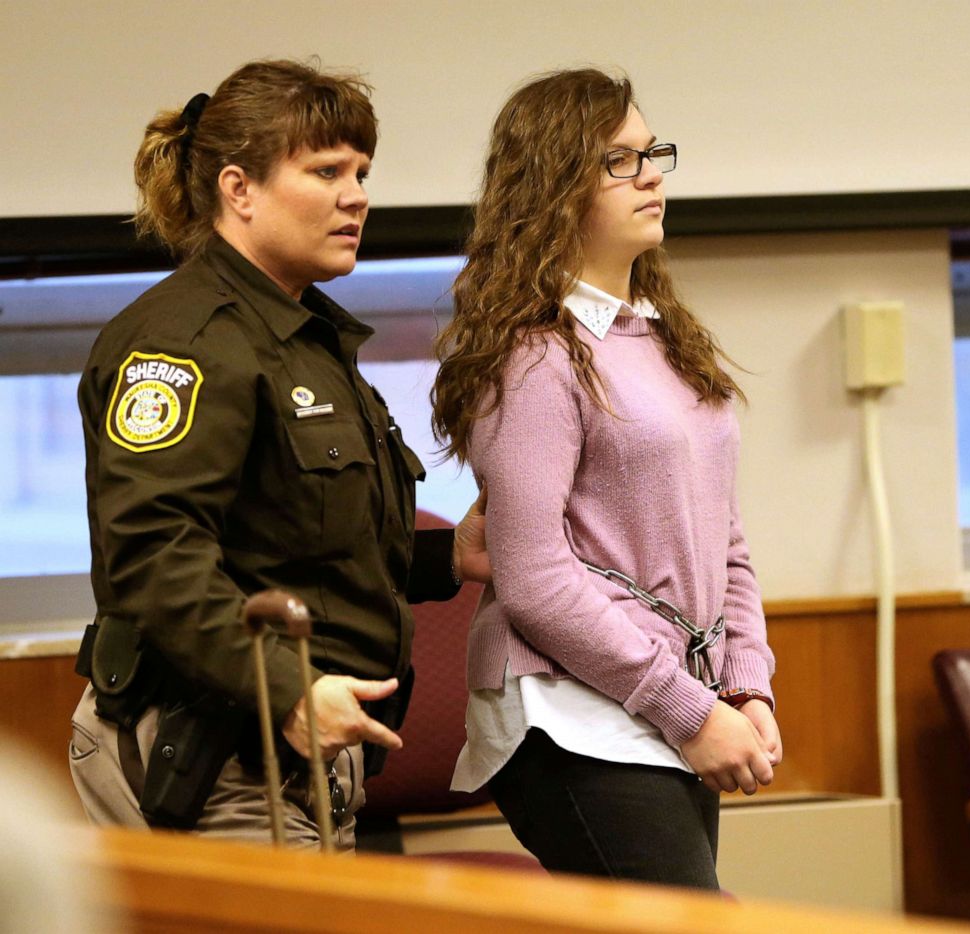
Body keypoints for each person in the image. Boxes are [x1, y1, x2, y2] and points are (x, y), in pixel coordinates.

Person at [69, 58, 488, 851]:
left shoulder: (302, 335)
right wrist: (290, 689)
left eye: (361, 170)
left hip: (296, 757)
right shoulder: (185, 342)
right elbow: (151, 556)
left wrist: (444, 558)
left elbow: (299, 545)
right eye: (326, 170)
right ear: (240, 190)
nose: (357, 193)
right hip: (206, 754)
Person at [432, 68, 781, 889]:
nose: (653, 173)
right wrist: (693, 710)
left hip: (668, 700)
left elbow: (723, 540)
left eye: (651, 153)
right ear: (554, 185)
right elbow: (534, 578)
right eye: (618, 161)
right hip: (570, 711)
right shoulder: (536, 353)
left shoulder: (663, 342)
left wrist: (747, 686)